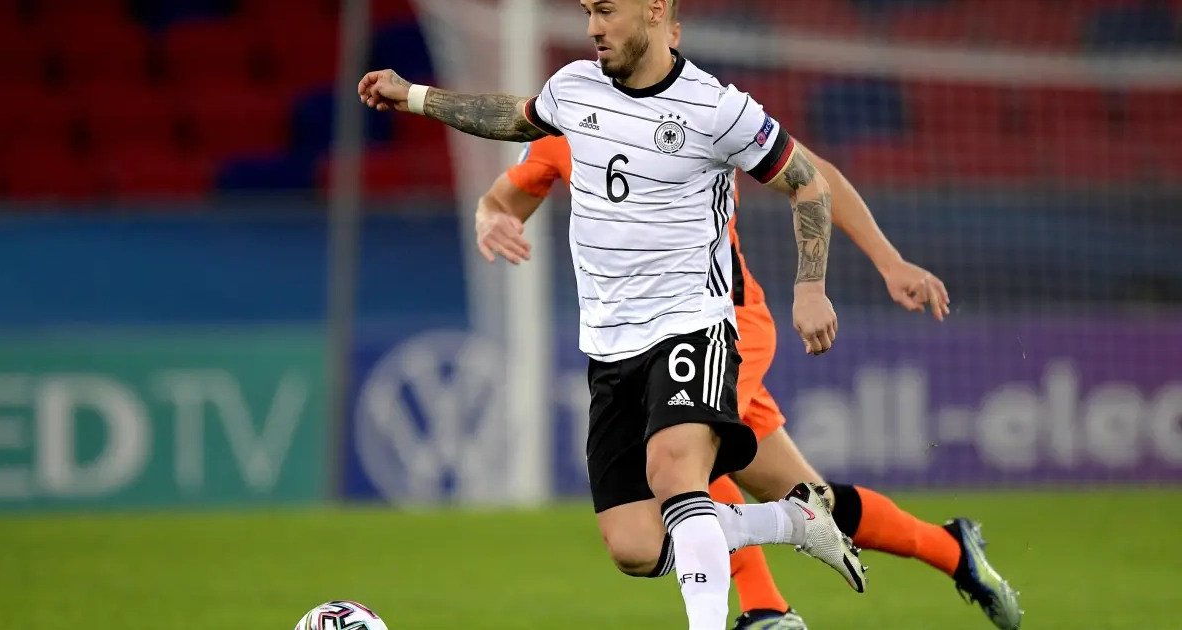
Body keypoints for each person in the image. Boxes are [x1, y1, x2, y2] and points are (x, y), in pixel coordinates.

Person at [472, 11, 1021, 630]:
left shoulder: (704, 112)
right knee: (801, 495)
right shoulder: (572, 117)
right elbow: (505, 197)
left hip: (722, 322)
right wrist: (491, 217)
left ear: (667, 29)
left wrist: (888, 261)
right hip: (639, 340)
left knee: (684, 458)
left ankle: (765, 608)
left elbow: (813, 176)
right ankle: (954, 550)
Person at [360, 1, 867, 628]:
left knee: (676, 472)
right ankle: (794, 518)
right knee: (636, 546)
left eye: (606, 10)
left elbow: (807, 181)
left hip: (691, 325)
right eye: (587, 11)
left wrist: (810, 287)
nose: (594, 26)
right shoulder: (573, 87)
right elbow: (510, 117)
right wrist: (412, 96)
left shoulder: (717, 108)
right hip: (608, 346)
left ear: (654, 10)